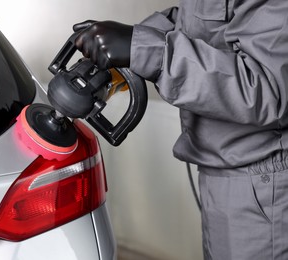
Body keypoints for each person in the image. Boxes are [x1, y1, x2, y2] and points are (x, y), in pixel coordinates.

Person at [72, 1, 288, 259]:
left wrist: (144, 50)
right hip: (222, 169)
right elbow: (200, 20)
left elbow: (268, 90)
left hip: (261, 184)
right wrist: (133, 37)